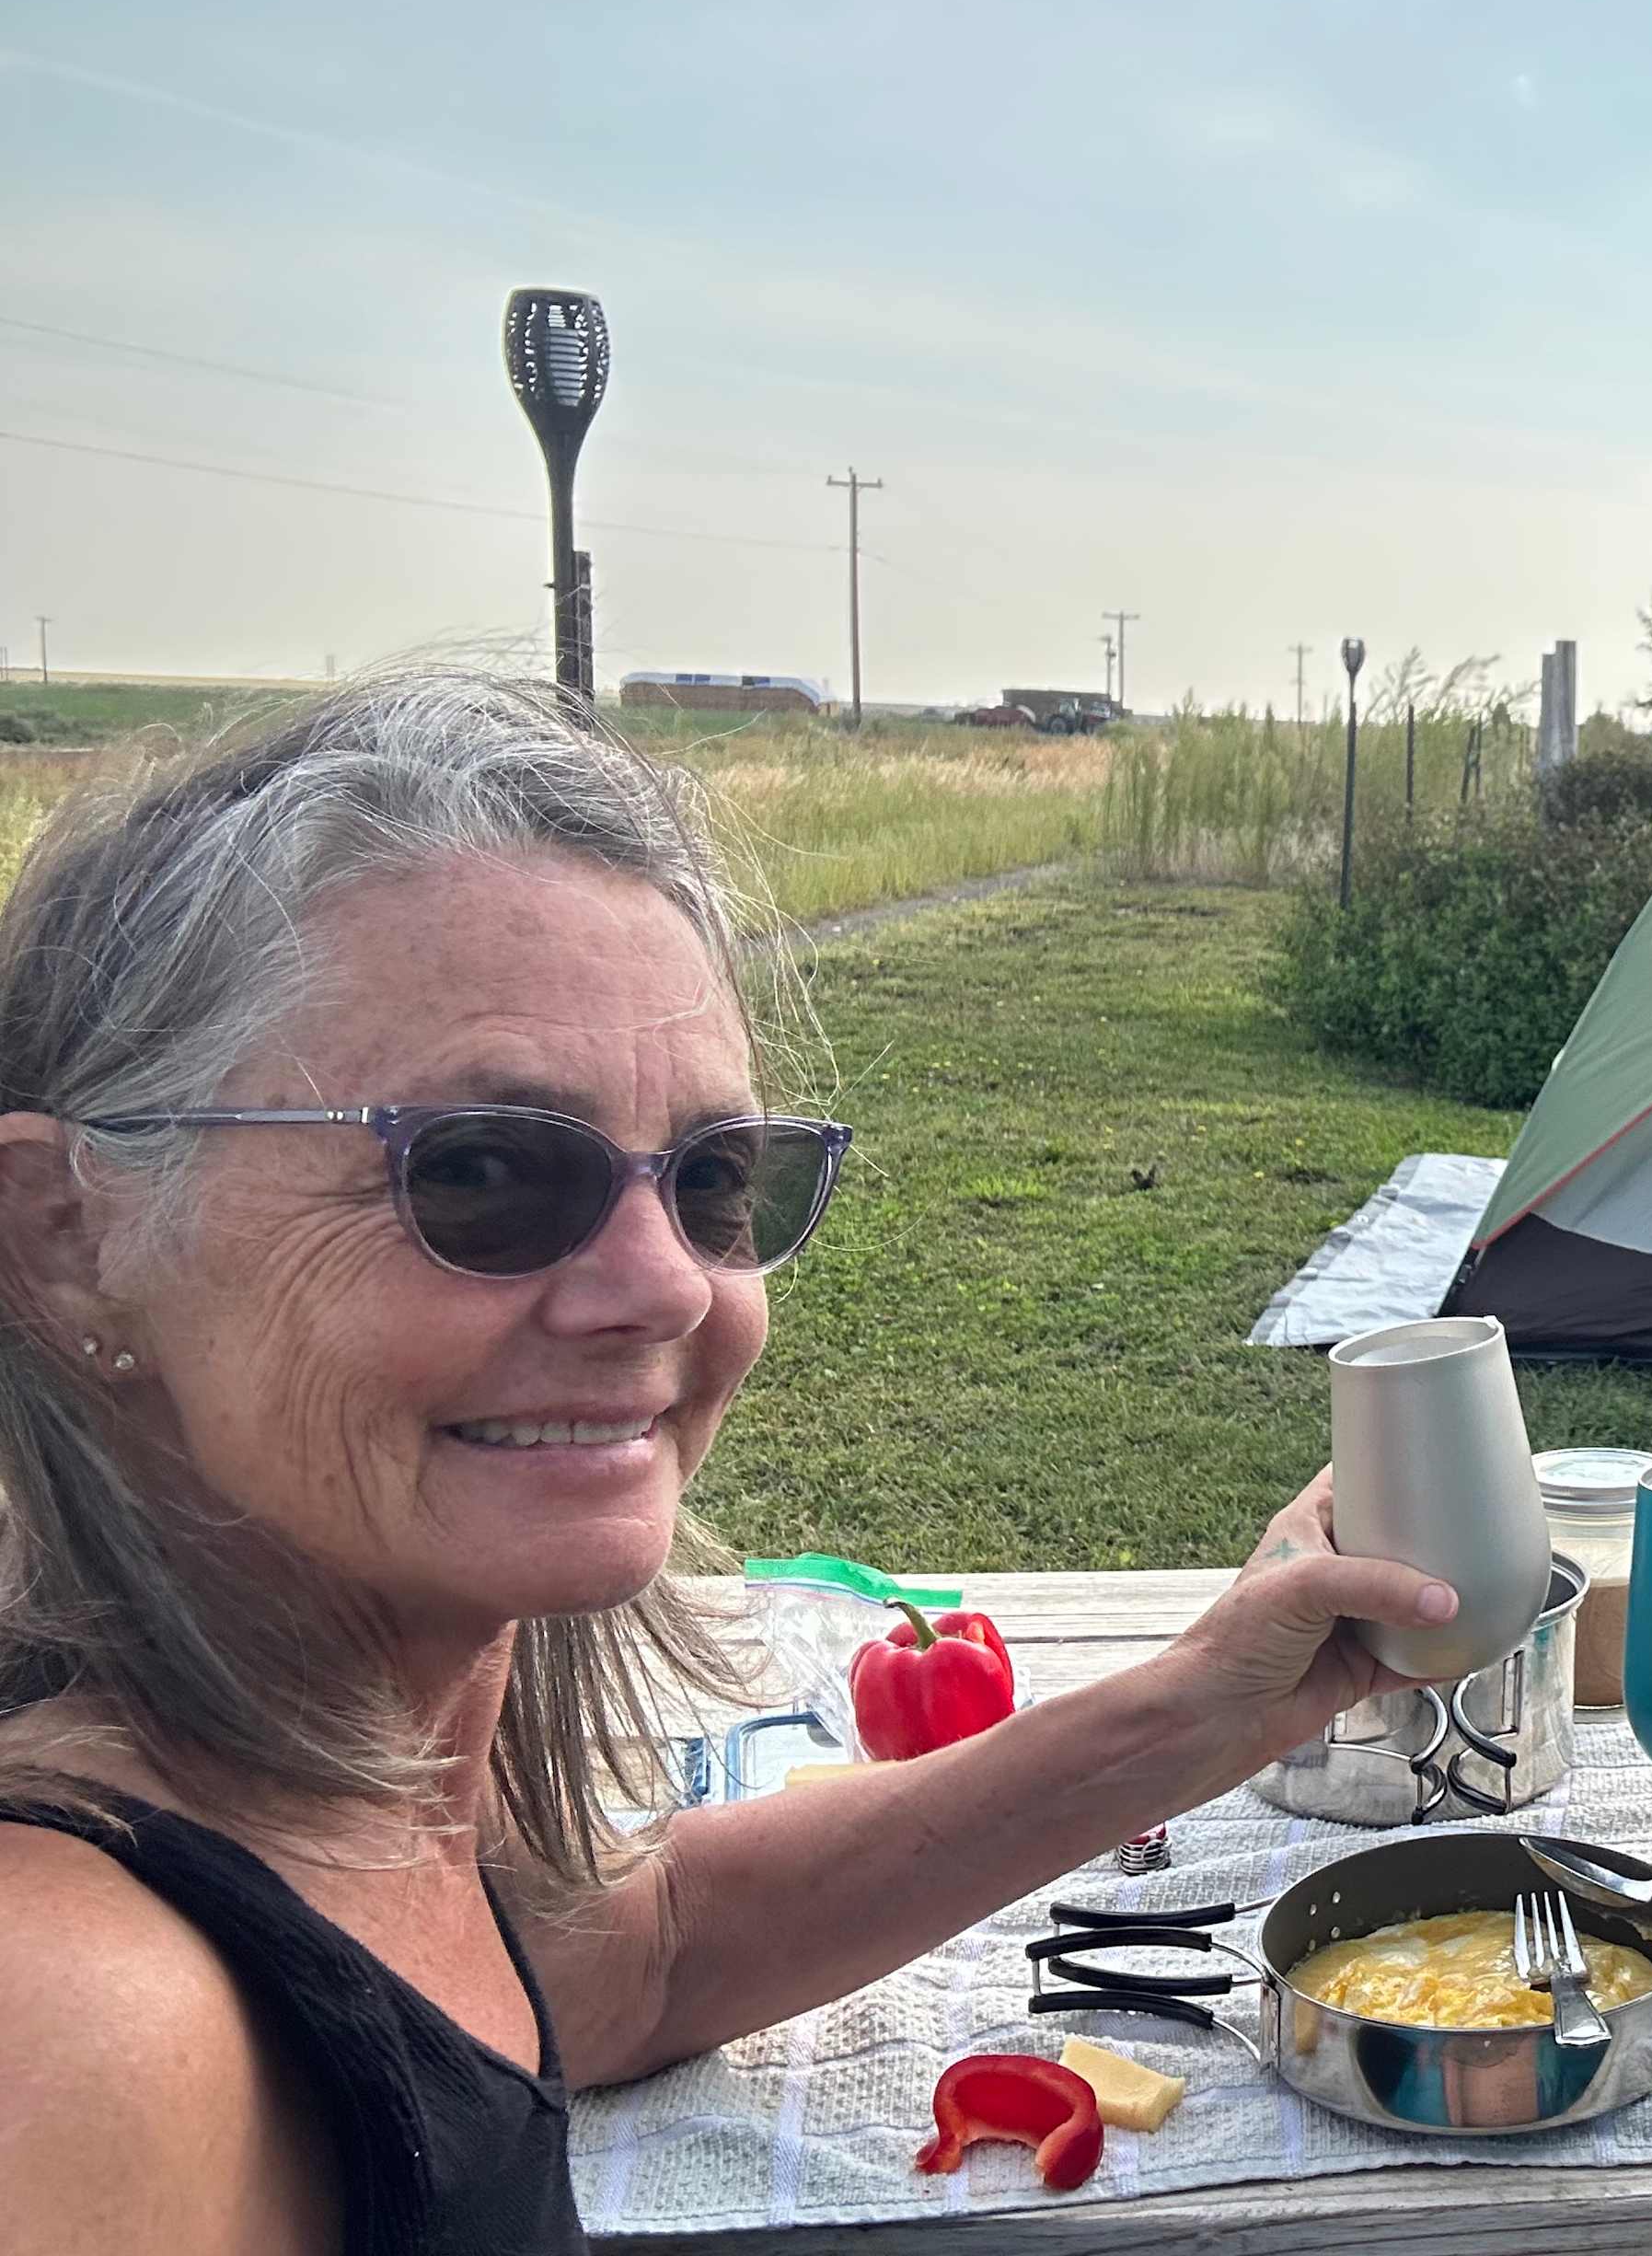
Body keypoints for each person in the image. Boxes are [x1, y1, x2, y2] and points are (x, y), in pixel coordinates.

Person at [0, 675, 1450, 2252]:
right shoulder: (78, 2028)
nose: (670, 1287)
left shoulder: (341, 1754)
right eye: (479, 1169)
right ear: (68, 1239)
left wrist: (1207, 1707)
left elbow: (642, 1959)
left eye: (712, 1178)